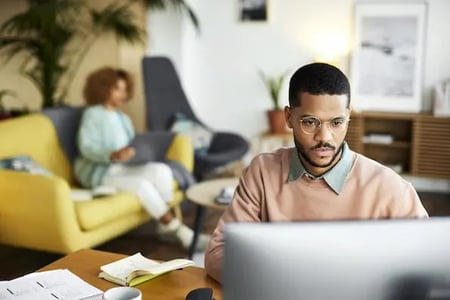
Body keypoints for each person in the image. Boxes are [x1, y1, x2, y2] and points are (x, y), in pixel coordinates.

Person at [204, 62, 429, 282]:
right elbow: (219, 253)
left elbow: (426, 264)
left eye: (337, 122)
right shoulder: (261, 172)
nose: (324, 137)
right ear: (289, 117)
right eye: (310, 122)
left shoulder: (389, 187)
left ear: (348, 117)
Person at [74, 67, 208, 251]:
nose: (123, 94)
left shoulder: (123, 118)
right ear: (103, 88)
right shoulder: (93, 114)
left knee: (161, 170)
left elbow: (131, 143)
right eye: (117, 89)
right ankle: (179, 231)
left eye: (125, 89)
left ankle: (164, 224)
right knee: (142, 185)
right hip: (103, 171)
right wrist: (111, 154)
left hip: (125, 167)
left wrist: (140, 151)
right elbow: (86, 147)